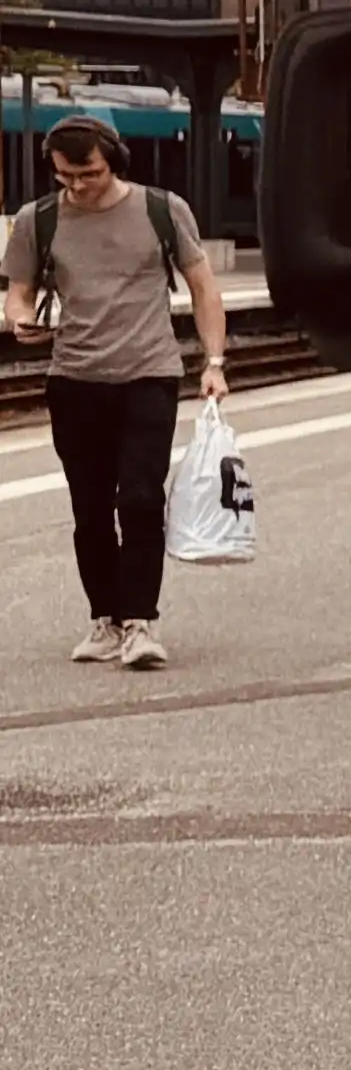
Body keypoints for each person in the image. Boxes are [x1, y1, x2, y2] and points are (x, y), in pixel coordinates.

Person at [4, 114, 238, 669]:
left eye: (89, 173)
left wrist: (215, 361)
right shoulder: (37, 219)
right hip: (74, 380)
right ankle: (104, 621)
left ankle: (140, 622)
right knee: (88, 510)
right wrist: (19, 322)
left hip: (148, 375)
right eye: (66, 177)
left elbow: (204, 288)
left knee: (138, 498)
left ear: (114, 161)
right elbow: (18, 294)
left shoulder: (163, 209)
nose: (78, 186)